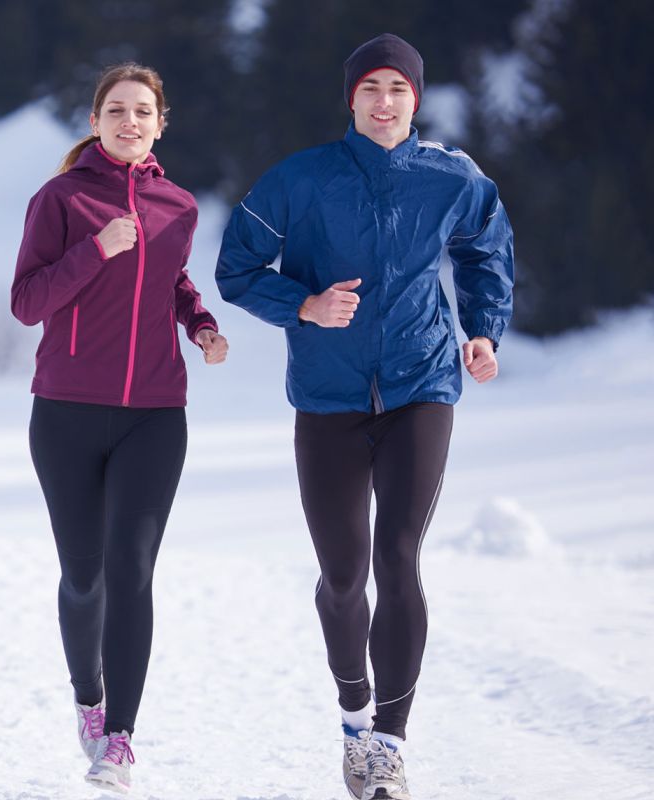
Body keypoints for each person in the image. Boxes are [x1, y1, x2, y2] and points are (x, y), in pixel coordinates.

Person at [215, 33, 514, 800]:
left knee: (400, 558)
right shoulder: (299, 179)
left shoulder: (451, 178)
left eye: (399, 89)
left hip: (422, 385)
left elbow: (487, 252)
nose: (385, 102)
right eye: (371, 88)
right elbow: (235, 270)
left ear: (418, 99)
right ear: (350, 98)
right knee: (344, 576)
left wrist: (482, 330)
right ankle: (354, 711)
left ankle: (388, 743)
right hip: (328, 396)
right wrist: (304, 306)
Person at [10, 62, 228, 794]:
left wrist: (199, 323)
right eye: (115, 110)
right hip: (66, 412)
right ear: (95, 121)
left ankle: (121, 741)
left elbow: (173, 281)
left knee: (132, 569)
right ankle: (88, 699)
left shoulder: (178, 206)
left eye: (142, 111)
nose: (129, 122)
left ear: (161, 123)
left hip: (156, 415)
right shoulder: (62, 198)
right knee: (85, 576)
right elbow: (26, 301)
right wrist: (94, 249)